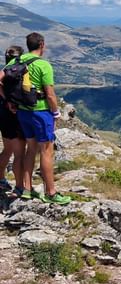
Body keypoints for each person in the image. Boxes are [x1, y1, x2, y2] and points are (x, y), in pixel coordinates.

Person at [7, 33, 71, 204]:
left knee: (31, 149)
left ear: (28, 45)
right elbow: (50, 94)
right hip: (41, 111)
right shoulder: (44, 65)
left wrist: (10, 102)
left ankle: (27, 189)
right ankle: (51, 193)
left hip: (22, 112)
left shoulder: (16, 62)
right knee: (46, 151)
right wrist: (56, 112)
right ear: (42, 44)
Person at [0, 46, 26, 195]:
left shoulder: (5, 70)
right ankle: (19, 187)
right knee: (19, 153)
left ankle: (1, 179)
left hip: (3, 113)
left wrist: (4, 99)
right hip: (15, 114)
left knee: (7, 149)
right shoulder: (19, 70)